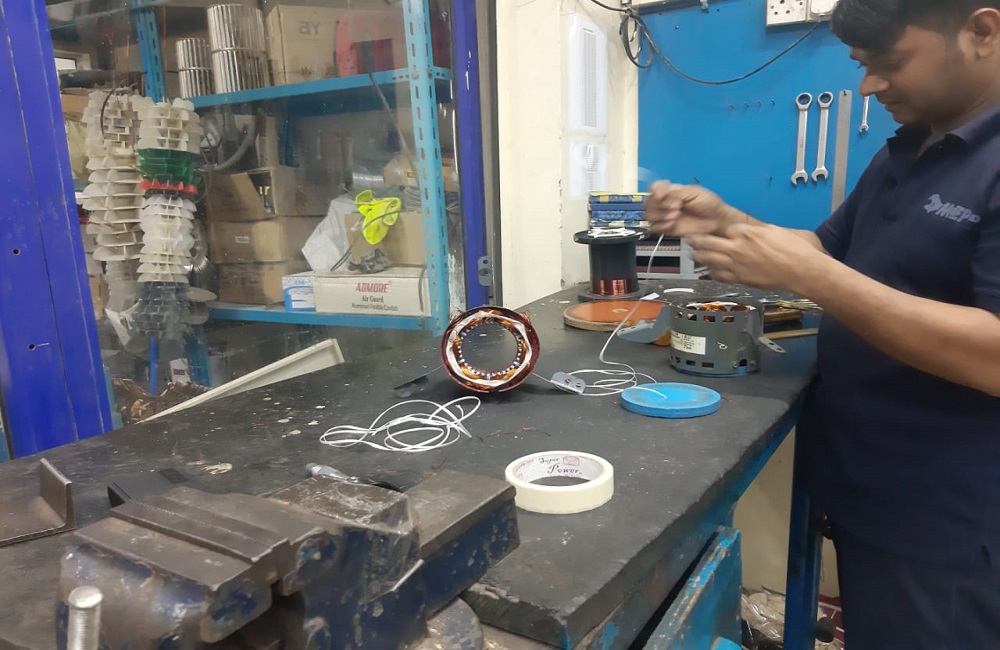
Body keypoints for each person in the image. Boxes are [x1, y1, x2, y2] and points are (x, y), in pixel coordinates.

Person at [644, 1, 1000, 648]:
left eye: (889, 62)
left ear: (982, 32)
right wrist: (729, 222)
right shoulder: (908, 149)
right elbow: (826, 252)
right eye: (862, 66)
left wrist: (812, 278)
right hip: (875, 496)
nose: (868, 86)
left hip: (955, 526)